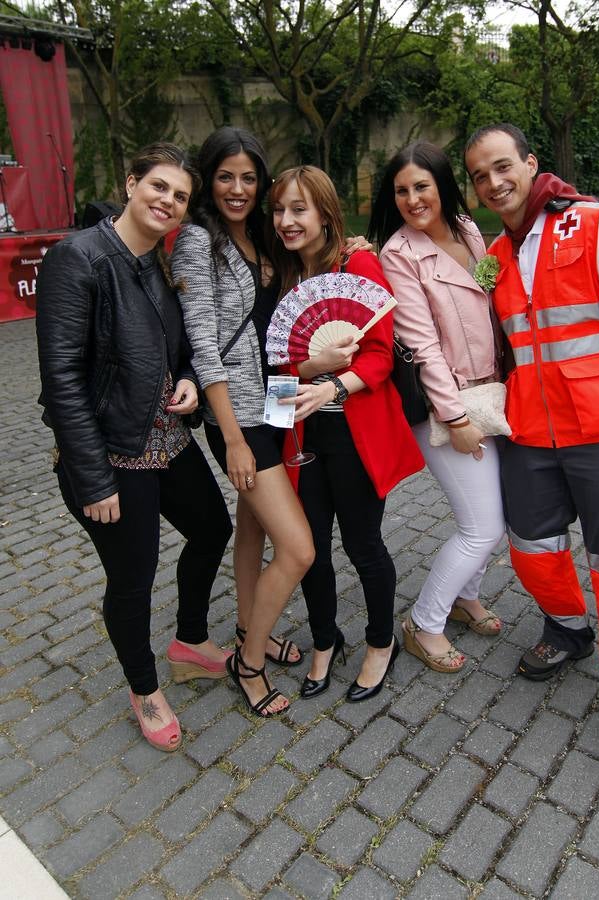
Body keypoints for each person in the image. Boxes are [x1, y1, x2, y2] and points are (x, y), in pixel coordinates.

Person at [464, 123, 599, 811]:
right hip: (530, 437)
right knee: (531, 548)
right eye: (479, 175)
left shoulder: (591, 225)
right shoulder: (495, 254)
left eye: (504, 166)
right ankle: (567, 630)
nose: (493, 182)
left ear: (530, 164)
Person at [35, 143, 234, 752]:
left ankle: (189, 641)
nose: (168, 202)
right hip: (113, 454)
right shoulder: (80, 258)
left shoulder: (155, 261)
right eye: (159, 187)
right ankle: (145, 689)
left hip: (167, 441)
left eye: (180, 196)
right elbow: (62, 378)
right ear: (131, 183)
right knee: (132, 580)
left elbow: (171, 350)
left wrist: (190, 381)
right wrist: (93, 480)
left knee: (212, 529)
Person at [171, 127, 316, 718]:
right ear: (209, 180)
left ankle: (244, 627)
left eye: (249, 177)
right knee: (299, 548)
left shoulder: (261, 235)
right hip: (239, 416)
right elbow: (204, 348)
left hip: (276, 398)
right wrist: (231, 438)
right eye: (226, 176)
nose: (238, 188)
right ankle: (248, 662)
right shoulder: (197, 243)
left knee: (253, 530)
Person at [268, 165, 425, 701]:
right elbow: (276, 369)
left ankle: (381, 642)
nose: (287, 221)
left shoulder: (357, 263)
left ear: (325, 212)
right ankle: (323, 639)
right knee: (308, 549)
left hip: (355, 437)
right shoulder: (283, 276)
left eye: (299, 209)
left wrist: (334, 384)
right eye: (279, 210)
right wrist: (308, 371)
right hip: (301, 440)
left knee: (362, 544)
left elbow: (381, 355)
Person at [368, 141, 506, 673]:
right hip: (446, 407)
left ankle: (466, 599)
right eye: (401, 191)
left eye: (421, 186)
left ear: (442, 185)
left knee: (497, 517)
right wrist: (456, 418)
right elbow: (422, 346)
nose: (411, 199)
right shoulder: (399, 255)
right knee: (481, 526)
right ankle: (425, 624)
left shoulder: (469, 230)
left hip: (492, 393)